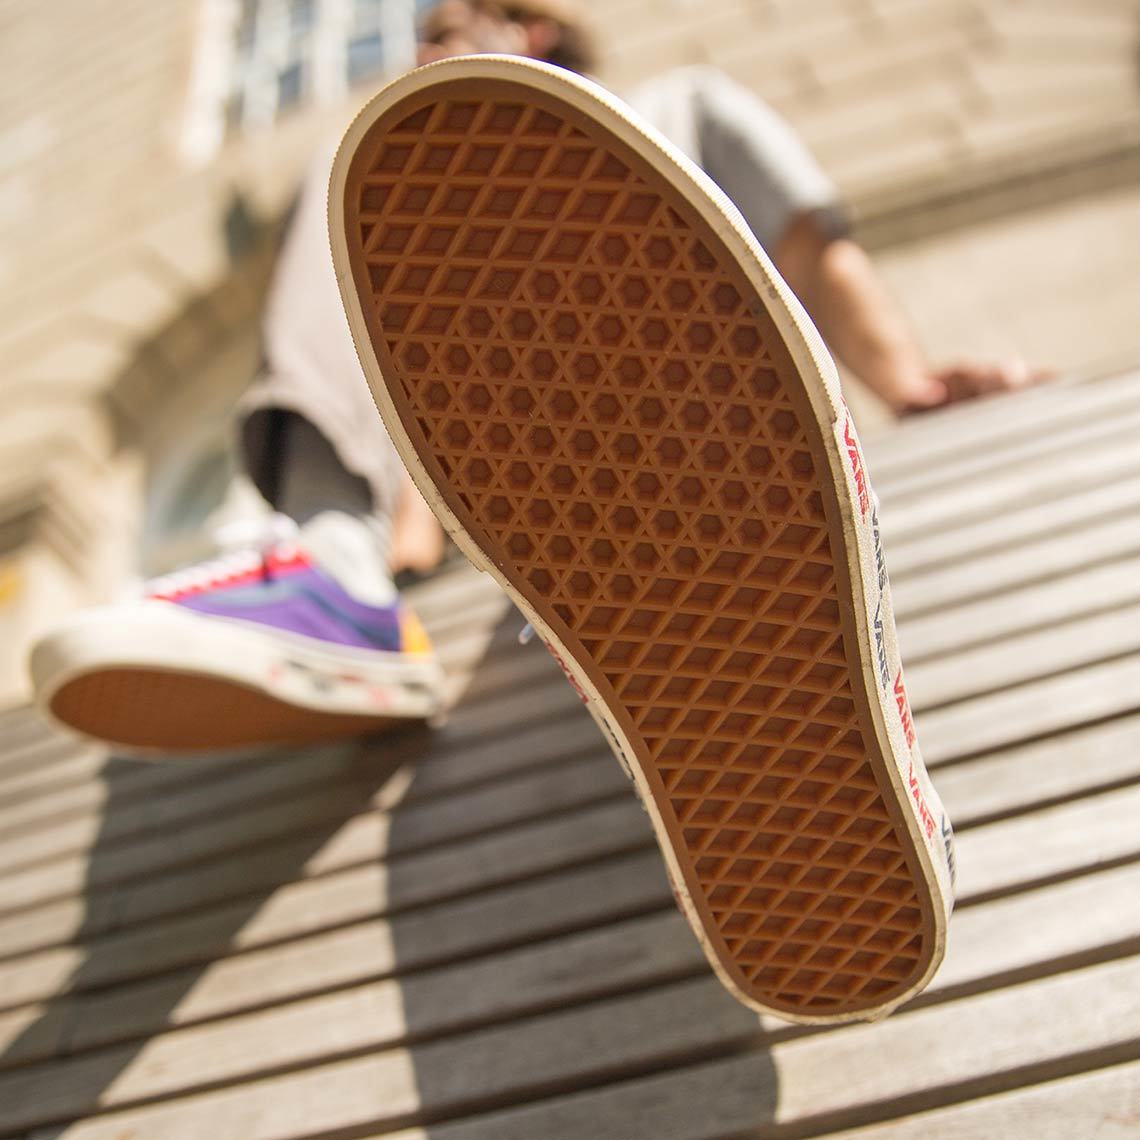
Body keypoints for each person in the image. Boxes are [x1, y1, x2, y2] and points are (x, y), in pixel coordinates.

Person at [30, 0, 1039, 754]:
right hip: (508, 530)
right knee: (349, 177)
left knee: (681, 116)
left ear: (531, 31)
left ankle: (709, 518)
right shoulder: (378, 193)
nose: (421, 53)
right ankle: (336, 578)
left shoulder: (672, 106)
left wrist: (911, 387)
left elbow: (814, 249)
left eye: (445, 30)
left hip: (676, 439)